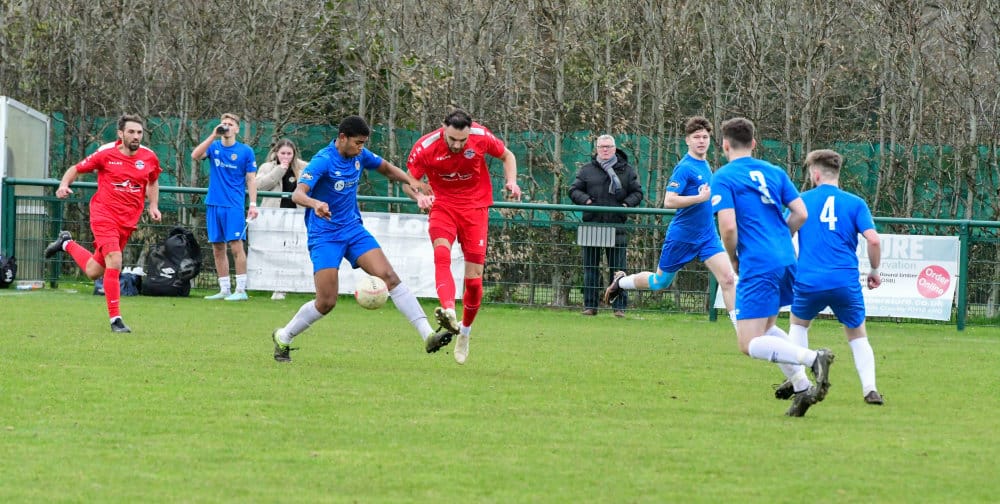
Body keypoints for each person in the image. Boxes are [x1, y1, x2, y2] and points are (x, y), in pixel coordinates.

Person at [271, 115, 452, 362]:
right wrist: (315, 204)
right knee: (326, 301)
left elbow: (386, 168)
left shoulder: (360, 155)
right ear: (342, 138)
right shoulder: (323, 161)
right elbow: (297, 195)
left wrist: (412, 180)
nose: (361, 148)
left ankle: (428, 334)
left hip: (353, 230)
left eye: (363, 143)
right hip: (324, 235)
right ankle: (283, 336)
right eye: (358, 142)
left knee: (390, 277)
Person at [710, 117, 834, 417]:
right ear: (754, 143)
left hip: (758, 262)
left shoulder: (724, 177)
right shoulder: (774, 171)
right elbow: (801, 213)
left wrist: (734, 257)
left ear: (724, 145)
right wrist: (781, 238)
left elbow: (728, 228)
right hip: (786, 258)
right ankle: (802, 388)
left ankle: (813, 358)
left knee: (748, 342)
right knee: (765, 328)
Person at [403, 109, 522, 365]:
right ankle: (448, 310)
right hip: (442, 206)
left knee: (474, 282)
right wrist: (419, 196)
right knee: (441, 254)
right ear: (443, 129)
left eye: (462, 140)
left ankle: (465, 333)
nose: (457, 145)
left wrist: (512, 181)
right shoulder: (426, 146)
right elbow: (408, 180)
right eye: (452, 139)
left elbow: (507, 155)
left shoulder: (480, 136)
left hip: (475, 208)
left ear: (469, 133)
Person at [774, 149, 884, 405]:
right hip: (844, 281)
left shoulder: (801, 201)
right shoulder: (855, 203)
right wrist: (874, 270)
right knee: (857, 335)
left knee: (798, 325)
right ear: (837, 172)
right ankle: (870, 390)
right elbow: (874, 240)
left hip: (809, 279)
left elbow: (783, 236)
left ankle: (800, 381)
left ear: (815, 174)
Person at [603, 117, 736, 324]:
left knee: (728, 279)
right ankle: (621, 283)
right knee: (659, 282)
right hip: (682, 236)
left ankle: (742, 332)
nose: (701, 141)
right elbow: (669, 201)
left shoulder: (705, 164)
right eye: (696, 137)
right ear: (687, 140)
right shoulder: (685, 168)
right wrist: (699, 198)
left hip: (707, 235)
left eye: (705, 137)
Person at [44, 114, 162, 333]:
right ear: (120, 134)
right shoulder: (106, 154)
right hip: (103, 215)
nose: (136, 136)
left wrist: (153, 205)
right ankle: (116, 320)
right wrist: (64, 184)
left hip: (127, 222)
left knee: (93, 271)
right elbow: (76, 168)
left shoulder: (149, 157)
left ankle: (66, 243)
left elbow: (153, 181)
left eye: (139, 132)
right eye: (131, 132)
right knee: (115, 260)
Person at [568, 134, 643, 317]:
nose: (605, 150)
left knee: (618, 271)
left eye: (608, 146)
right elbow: (573, 190)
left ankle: (619, 308)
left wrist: (625, 205)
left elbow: (637, 193)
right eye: (602, 147)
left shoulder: (627, 170)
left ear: (615, 148)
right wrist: (586, 201)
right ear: (597, 149)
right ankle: (590, 306)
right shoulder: (586, 170)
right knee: (590, 269)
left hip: (616, 225)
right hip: (592, 225)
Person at [191, 113, 258, 301]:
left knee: (236, 246)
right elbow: (195, 155)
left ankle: (241, 290)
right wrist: (213, 135)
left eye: (230, 124)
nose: (226, 126)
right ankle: (225, 289)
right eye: (224, 123)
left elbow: (251, 179)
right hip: (214, 203)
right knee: (217, 247)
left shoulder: (245, 151)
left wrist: (253, 204)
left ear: (237, 129)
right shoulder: (214, 147)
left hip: (233, 205)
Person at [255, 138, 308, 300]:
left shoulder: (304, 167)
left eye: (289, 154)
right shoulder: (267, 167)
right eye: (283, 153)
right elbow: (258, 185)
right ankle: (276, 286)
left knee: (294, 252)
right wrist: (279, 170)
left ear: (294, 154)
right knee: (275, 252)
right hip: (274, 216)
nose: (286, 157)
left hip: (297, 216)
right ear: (276, 153)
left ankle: (296, 286)